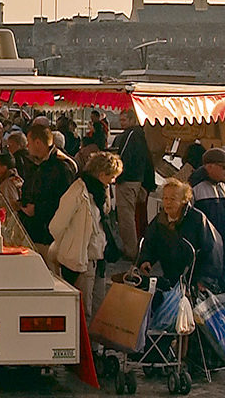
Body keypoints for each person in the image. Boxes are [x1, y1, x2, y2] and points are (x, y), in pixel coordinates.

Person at [49, 152, 123, 321]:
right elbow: (57, 225)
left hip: (99, 256)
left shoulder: (102, 191)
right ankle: (85, 346)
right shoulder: (78, 191)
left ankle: (95, 347)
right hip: (83, 257)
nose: (114, 181)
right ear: (101, 174)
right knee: (85, 309)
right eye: (112, 177)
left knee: (98, 306)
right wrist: (70, 244)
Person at [139, 179, 224, 293]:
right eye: (165, 198)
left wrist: (205, 280)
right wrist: (146, 260)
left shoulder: (197, 219)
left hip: (196, 279)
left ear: (184, 200)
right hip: (172, 277)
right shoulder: (160, 221)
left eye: (173, 199)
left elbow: (213, 249)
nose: (168, 202)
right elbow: (150, 242)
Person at [20, 123, 78, 263]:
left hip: (49, 235)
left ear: (38, 142)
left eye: (29, 142)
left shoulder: (61, 166)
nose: (27, 146)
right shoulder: (37, 162)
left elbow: (64, 203)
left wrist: (37, 209)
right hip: (35, 230)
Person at [111, 109, 156, 261]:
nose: (121, 123)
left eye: (123, 120)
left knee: (125, 216)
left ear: (131, 120)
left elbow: (121, 158)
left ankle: (131, 250)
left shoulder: (130, 135)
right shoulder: (140, 136)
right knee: (129, 215)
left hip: (128, 180)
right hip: (138, 180)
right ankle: (132, 248)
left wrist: (116, 175)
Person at [189, 147, 225, 242]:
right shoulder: (193, 187)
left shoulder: (222, 185)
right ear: (209, 167)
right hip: (205, 246)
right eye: (224, 167)